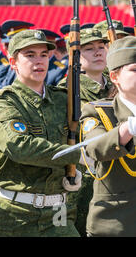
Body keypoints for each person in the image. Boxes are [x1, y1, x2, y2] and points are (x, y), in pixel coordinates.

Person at [0, 29, 82, 237]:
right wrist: (78, 154)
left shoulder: (63, 100)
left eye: (44, 55)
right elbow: (18, 147)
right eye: (30, 55)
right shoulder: (4, 101)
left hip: (59, 213)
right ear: (13, 62)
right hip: (16, 214)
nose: (39, 61)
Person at [57, 27, 113, 236]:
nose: (98, 52)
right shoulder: (68, 90)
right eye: (89, 49)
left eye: (101, 47)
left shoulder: (119, 85)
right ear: (76, 57)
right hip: (87, 177)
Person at [79, 36, 136, 236]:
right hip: (115, 222)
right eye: (135, 70)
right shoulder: (98, 111)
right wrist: (129, 127)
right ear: (114, 77)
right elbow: (96, 148)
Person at [0, 20, 34, 88]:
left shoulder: (29, 68)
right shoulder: (10, 67)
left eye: (11, 45)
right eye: (7, 45)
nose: (7, 49)